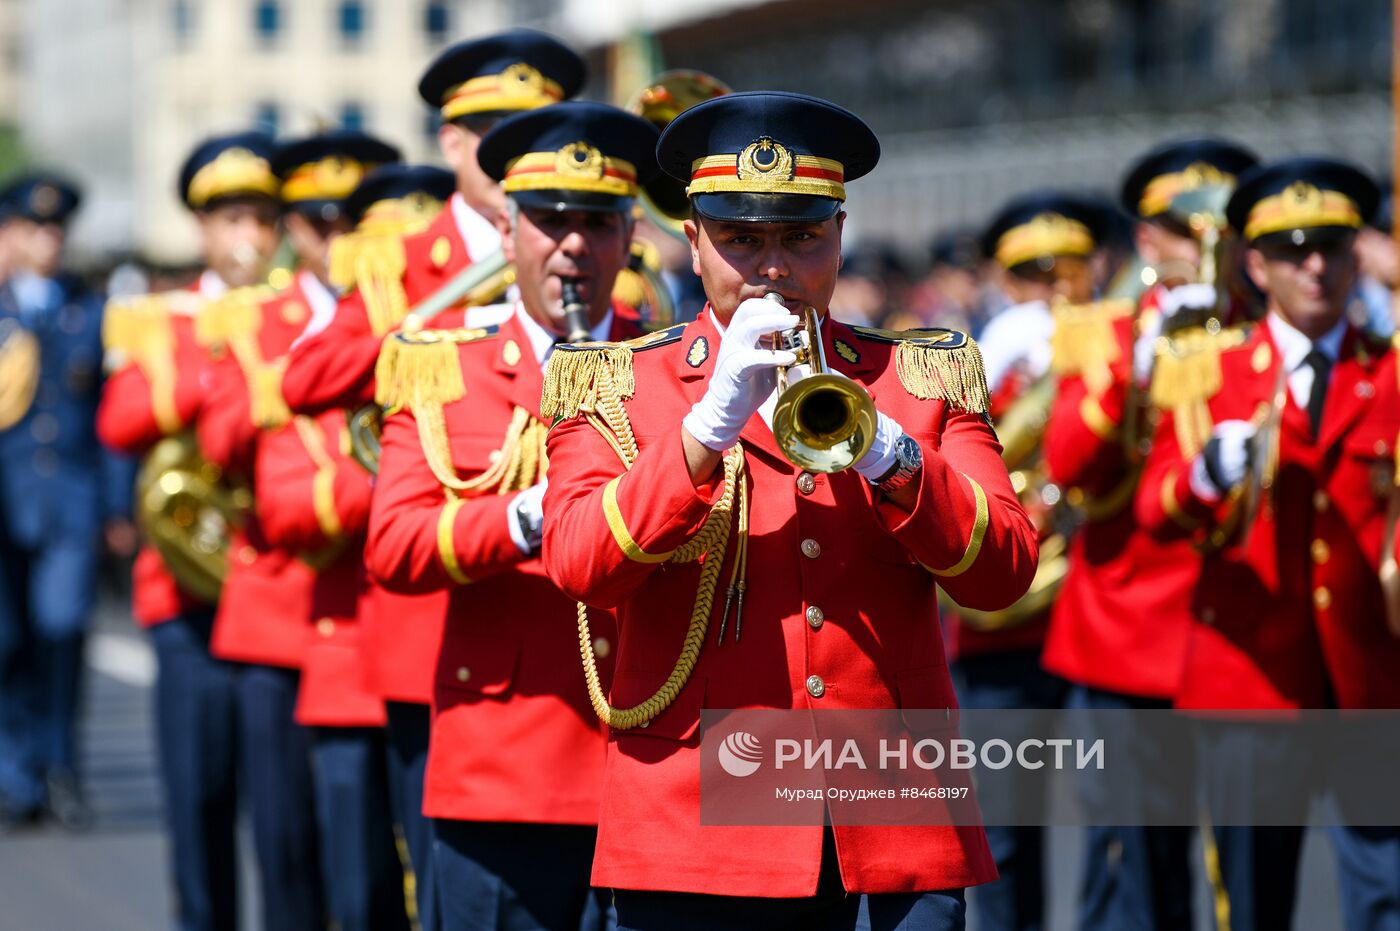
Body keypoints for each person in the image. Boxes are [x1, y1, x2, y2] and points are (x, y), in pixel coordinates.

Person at [539, 90, 1037, 931]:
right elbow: (580, 563)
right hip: (694, 834)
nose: (773, 267)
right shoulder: (618, 382)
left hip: (891, 830)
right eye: (741, 238)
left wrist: (892, 453)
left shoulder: (918, 377)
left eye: (802, 237)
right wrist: (704, 430)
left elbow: (1004, 572)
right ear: (693, 242)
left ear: (840, 233)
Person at [278, 38, 585, 927]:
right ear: (454, 144)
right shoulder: (394, 258)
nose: (511, 145)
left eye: (533, 127)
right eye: (493, 129)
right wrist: (448, 317)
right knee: (431, 883)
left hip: (590, 629)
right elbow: (303, 381)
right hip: (438, 613)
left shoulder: (602, 240)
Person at [365, 100, 656, 931]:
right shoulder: (441, 369)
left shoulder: (679, 362)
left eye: (598, 222)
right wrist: (527, 517)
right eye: (549, 220)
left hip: (653, 764)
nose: (573, 244)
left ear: (630, 235)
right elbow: (394, 544)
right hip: (506, 766)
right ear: (507, 233)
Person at [1135, 156, 1400, 931]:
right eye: (1292, 249)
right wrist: (1206, 477)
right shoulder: (1206, 368)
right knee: (1251, 901)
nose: (1314, 266)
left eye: (1332, 245)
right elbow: (1155, 510)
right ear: (1255, 262)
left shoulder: (1389, 371)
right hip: (1248, 678)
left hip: (1371, 680)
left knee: (1387, 897)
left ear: (1359, 254)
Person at [1040, 137, 1258, 931]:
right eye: (1183, 223)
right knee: (1132, 868)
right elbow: (1068, 463)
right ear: (1146, 239)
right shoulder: (1103, 329)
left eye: (1223, 222)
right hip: (1128, 632)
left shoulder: (1265, 331)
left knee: (1245, 871)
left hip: (1241, 630)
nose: (1207, 240)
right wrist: (1137, 358)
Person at [197, 129, 404, 931]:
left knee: (393, 877)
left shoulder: (416, 307)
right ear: (293, 224)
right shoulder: (254, 322)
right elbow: (226, 449)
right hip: (291, 612)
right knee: (293, 860)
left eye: (357, 219)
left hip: (403, 618)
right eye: (320, 219)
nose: (338, 239)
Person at [96, 131, 283, 931]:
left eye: (258, 216)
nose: (245, 232)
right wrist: (221, 378)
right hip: (188, 595)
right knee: (198, 797)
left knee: (285, 820)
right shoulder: (160, 319)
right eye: (228, 215)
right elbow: (120, 419)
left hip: (279, 579)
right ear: (202, 228)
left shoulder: (303, 310)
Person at [0, 173, 121, 830]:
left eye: (55, 230)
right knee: (8, 641)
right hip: (4, 503)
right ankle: (17, 772)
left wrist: (119, 506)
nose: (46, 241)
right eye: (32, 228)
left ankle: (61, 764)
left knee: (63, 630)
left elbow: (109, 420)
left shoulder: (89, 308)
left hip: (70, 500)